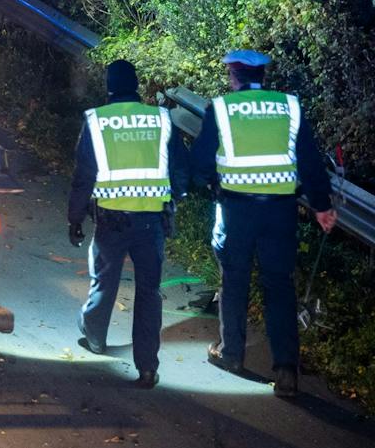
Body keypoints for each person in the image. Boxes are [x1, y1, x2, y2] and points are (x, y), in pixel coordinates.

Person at [190, 48, 337, 399]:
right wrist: (321, 206)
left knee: (235, 279)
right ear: (263, 77)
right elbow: (311, 161)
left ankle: (231, 355)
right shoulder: (290, 106)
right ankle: (286, 370)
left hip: (236, 209)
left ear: (233, 76)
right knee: (279, 287)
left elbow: (199, 161)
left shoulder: (221, 109)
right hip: (280, 211)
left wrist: (213, 184)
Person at [67, 60, 187, 388]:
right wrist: (171, 199)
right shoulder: (161, 119)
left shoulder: (97, 121)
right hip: (152, 222)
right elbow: (180, 170)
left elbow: (84, 176)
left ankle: (94, 337)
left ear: (109, 87)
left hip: (111, 221)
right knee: (149, 293)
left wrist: (75, 218)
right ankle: (147, 367)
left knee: (104, 281)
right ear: (136, 86)